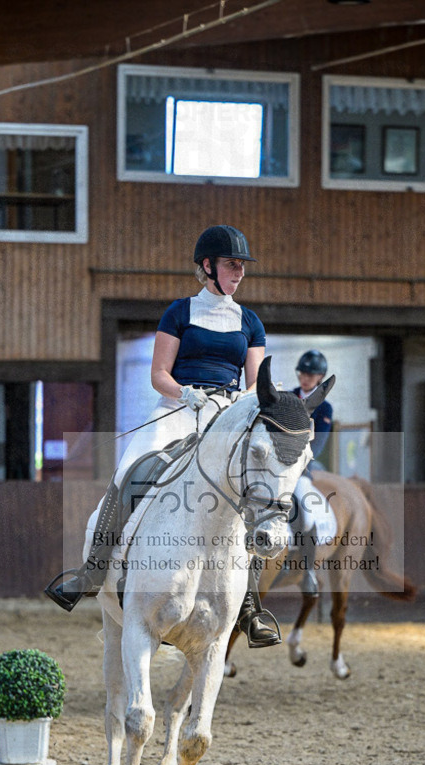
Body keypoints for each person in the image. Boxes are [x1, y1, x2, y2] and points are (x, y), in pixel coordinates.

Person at [47, 224, 282, 647]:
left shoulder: (250, 322)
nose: (240, 273)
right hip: (177, 408)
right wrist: (185, 393)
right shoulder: (179, 312)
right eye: (232, 264)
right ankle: (92, 570)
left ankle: (249, 608)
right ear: (207, 267)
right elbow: (159, 375)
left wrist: (235, 409)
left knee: (250, 497)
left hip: (224, 418)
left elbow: (254, 385)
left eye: (242, 266)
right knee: (130, 473)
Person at [291, 349, 334, 593]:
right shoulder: (287, 398)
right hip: (278, 464)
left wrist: (300, 461)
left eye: (311, 374)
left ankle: (308, 571)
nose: (305, 378)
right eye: (302, 373)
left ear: (320, 377)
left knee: (306, 512)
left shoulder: (324, 408)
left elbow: (318, 443)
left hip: (302, 467)